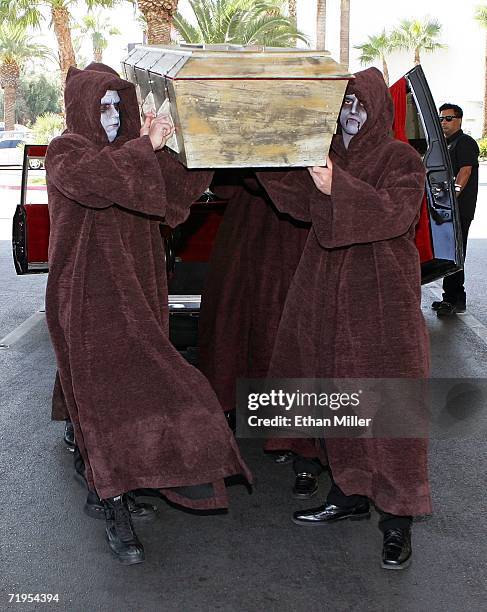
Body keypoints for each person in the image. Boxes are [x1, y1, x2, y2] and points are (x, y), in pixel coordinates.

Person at [45, 63, 251, 566]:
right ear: (82, 111)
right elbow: (101, 183)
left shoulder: (138, 156)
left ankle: (122, 483)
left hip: (139, 298)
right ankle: (110, 502)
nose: (112, 118)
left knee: (134, 400)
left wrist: (192, 146)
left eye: (118, 106)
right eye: (102, 108)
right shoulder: (66, 152)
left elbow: (174, 203)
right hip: (87, 303)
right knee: (103, 405)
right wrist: (147, 147)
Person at [257, 68, 431, 570]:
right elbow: (296, 202)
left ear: (379, 110)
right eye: (344, 104)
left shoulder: (402, 158)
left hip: (381, 299)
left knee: (392, 405)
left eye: (360, 105)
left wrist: (339, 185)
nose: (350, 114)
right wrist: (268, 154)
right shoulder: (325, 151)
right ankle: (350, 492)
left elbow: (395, 213)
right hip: (326, 289)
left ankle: (398, 520)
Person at [432, 103, 480, 316]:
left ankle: (454, 299)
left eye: (448, 118)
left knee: (455, 254)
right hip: (448, 209)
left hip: (459, 209)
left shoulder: (465, 142)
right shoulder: (445, 143)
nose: (444, 122)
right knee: (448, 253)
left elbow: (466, 171)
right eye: (441, 118)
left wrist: (452, 196)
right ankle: (451, 297)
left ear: (459, 119)